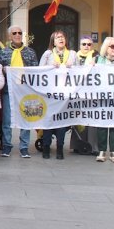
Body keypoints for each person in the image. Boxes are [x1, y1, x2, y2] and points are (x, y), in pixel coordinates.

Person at [0, 25, 38, 157]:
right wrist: (3, 69)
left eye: (20, 33)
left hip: (25, 91)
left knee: (26, 118)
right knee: (7, 120)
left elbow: (36, 70)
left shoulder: (30, 52)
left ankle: (24, 146)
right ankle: (7, 145)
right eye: (14, 33)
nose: (17, 35)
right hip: (9, 90)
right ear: (10, 36)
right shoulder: (3, 52)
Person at [39, 30, 77, 159]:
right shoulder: (48, 54)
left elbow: (81, 71)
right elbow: (38, 71)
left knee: (61, 122)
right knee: (49, 121)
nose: (61, 39)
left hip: (65, 95)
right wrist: (49, 67)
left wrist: (73, 67)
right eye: (57, 37)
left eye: (62, 37)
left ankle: (60, 147)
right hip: (50, 94)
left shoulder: (72, 54)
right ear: (53, 41)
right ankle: (46, 146)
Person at [94, 37, 114, 163]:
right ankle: (102, 150)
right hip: (102, 97)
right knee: (102, 124)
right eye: (112, 46)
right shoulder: (98, 60)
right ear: (106, 48)